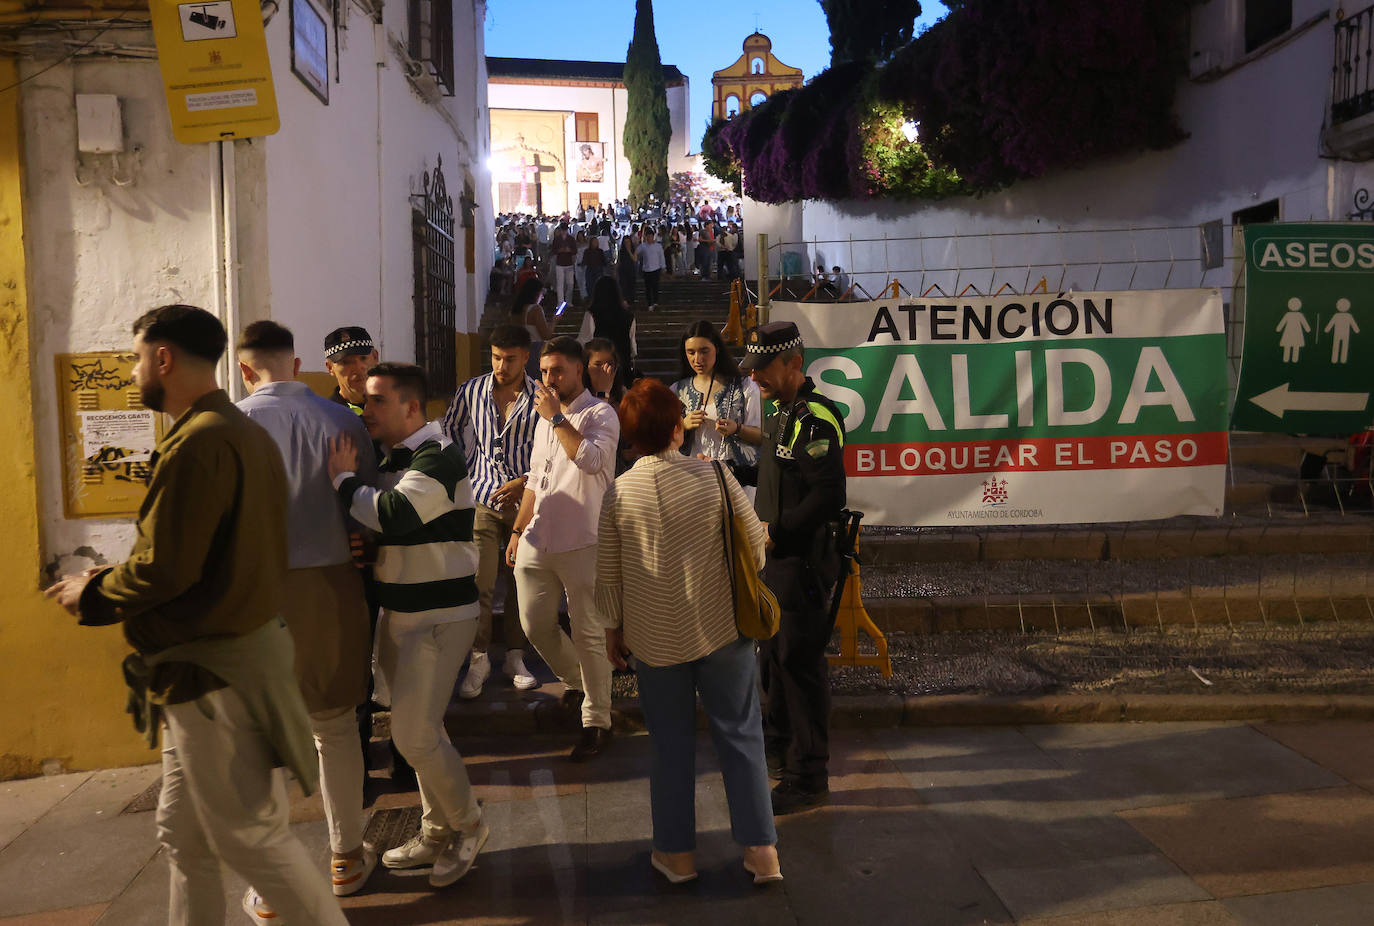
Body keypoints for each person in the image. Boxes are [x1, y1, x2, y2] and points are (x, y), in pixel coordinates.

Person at [46, 304, 349, 926]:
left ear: (163, 358)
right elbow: (207, 552)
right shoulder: (233, 430)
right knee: (184, 835)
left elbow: (167, 567)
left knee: (251, 838)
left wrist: (95, 593)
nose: (133, 374)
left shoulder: (202, 441)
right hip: (211, 666)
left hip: (216, 672)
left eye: (136, 359)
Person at [595, 379, 781, 886]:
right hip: (723, 628)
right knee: (741, 737)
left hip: (654, 639)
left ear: (632, 440)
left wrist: (613, 628)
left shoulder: (619, 493)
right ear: (679, 429)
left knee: (669, 745)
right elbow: (755, 550)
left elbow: (608, 573)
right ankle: (762, 854)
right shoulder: (717, 477)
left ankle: (676, 857)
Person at [327, 363, 491, 888]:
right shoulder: (394, 458)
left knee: (414, 735)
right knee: (425, 731)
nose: (365, 409)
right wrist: (370, 541)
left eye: (377, 401)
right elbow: (399, 530)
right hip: (402, 614)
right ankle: (436, 829)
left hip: (440, 618)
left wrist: (343, 480)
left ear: (411, 407)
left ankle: (469, 825)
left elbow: (395, 513)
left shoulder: (437, 456)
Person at [235, 321, 380, 907]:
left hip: (253, 594)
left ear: (246, 370)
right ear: (297, 365)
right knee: (336, 724)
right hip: (328, 585)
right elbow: (366, 509)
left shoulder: (227, 426)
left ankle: (270, 884)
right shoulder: (343, 421)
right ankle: (345, 857)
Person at [737, 321, 847, 816]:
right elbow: (775, 471)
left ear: (794, 364)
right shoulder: (780, 413)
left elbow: (828, 493)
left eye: (763, 368)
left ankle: (809, 775)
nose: (755, 376)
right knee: (774, 660)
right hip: (775, 561)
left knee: (799, 665)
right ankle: (780, 751)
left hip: (800, 561)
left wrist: (777, 531)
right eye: (752, 368)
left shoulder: (816, 417)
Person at [505, 338, 621, 761]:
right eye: (545, 371)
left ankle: (597, 721)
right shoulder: (543, 421)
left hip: (584, 540)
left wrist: (557, 418)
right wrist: (518, 530)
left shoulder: (600, 414)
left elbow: (589, 461)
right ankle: (580, 682)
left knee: (589, 633)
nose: (549, 379)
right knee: (534, 624)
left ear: (580, 372)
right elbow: (537, 479)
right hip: (538, 537)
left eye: (558, 371)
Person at [442, 325, 541, 699]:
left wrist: (526, 479)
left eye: (509, 359)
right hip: (482, 496)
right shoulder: (471, 390)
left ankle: (515, 656)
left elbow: (551, 449)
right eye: (496, 357)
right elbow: (449, 432)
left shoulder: (539, 397)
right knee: (480, 583)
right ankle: (479, 657)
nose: (501, 366)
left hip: (526, 500)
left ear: (525, 357)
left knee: (520, 582)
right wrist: (464, 474)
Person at [672, 321, 762, 489]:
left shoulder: (745, 387)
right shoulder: (677, 390)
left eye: (704, 351)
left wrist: (737, 429)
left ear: (717, 349)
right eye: (690, 352)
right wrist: (682, 425)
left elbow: (763, 435)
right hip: (693, 477)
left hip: (737, 478)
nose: (697, 359)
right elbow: (661, 437)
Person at [579, 276, 636, 377]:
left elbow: (584, 340)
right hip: (622, 363)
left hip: (600, 365)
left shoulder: (592, 314)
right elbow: (632, 343)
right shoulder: (628, 316)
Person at [324, 325, 379, 415]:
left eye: (363, 358)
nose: (358, 368)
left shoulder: (395, 408)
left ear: (375, 357)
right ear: (330, 368)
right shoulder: (325, 418)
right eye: (346, 362)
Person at [511, 276, 555, 379]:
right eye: (541, 293)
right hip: (536, 349)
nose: (542, 297)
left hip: (521, 349)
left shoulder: (516, 311)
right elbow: (546, 335)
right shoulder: (535, 309)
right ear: (535, 293)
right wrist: (554, 321)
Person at [637, 227, 666, 311]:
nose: (649, 238)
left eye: (650, 236)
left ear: (653, 236)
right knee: (648, 288)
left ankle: (655, 302)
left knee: (655, 286)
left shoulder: (658, 246)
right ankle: (650, 303)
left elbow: (661, 257)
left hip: (656, 269)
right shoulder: (643, 246)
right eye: (648, 236)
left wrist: (663, 267)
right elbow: (636, 253)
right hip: (646, 269)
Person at [551, 221, 577, 306]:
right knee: (560, 283)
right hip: (560, 263)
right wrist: (560, 250)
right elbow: (553, 251)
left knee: (570, 283)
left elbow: (575, 250)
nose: (564, 231)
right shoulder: (557, 239)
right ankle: (560, 302)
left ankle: (568, 301)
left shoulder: (571, 239)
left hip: (569, 262)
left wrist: (569, 250)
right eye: (563, 230)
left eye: (565, 230)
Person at [617, 232, 638, 306]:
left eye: (628, 242)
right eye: (625, 242)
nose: (627, 243)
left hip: (631, 270)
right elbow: (618, 261)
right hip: (623, 270)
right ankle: (625, 300)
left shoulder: (633, 250)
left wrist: (629, 251)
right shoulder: (621, 251)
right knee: (624, 286)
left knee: (631, 286)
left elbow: (635, 259)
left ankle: (631, 301)